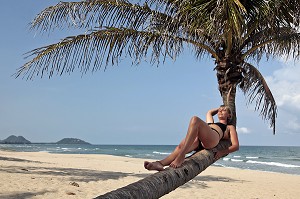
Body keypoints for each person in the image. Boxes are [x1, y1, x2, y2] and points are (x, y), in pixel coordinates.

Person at [144, 105, 239, 171]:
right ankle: (159, 163)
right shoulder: (211, 122)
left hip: (212, 138)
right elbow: (209, 112)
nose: (220, 111)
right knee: (180, 146)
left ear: (229, 115)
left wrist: (222, 152)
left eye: (224, 111)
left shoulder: (229, 127)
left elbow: (236, 146)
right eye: (219, 111)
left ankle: (181, 156)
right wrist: (221, 108)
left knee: (195, 119)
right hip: (198, 140)